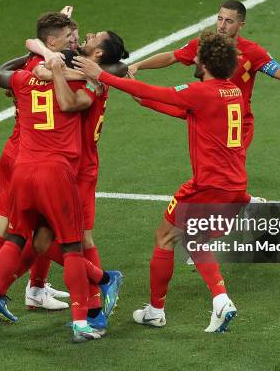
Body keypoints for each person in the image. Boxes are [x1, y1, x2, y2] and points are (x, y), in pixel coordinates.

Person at [74, 31, 250, 333]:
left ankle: (158, 310)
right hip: (235, 185)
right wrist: (142, 99)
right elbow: (183, 111)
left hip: (207, 185)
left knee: (165, 238)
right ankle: (220, 300)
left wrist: (101, 74)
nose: (192, 59)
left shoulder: (201, 92)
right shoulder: (232, 91)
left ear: (206, 62)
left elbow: (163, 94)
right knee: (195, 241)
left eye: (197, 56)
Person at [0, 34, 125, 343]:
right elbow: (72, 89)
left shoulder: (31, 80)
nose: (82, 36)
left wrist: (47, 57)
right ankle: (89, 306)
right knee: (69, 244)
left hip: (31, 168)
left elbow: (7, 73)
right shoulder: (85, 83)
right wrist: (55, 61)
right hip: (63, 171)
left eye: (90, 37)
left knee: (20, 237)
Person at [129, 0, 280, 150]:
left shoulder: (253, 52)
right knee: (212, 170)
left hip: (236, 124)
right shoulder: (205, 44)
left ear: (241, 24)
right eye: (219, 19)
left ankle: (243, 203)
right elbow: (173, 56)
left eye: (228, 21)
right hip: (205, 116)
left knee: (225, 173)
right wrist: (139, 65)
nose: (221, 25)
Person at [0, 11, 74, 321]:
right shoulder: (63, 72)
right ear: (52, 41)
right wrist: (45, 50)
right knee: (13, 228)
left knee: (38, 227)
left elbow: (0, 76)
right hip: (33, 158)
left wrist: (37, 50)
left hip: (19, 153)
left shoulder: (26, 69)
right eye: (68, 34)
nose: (74, 39)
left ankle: (36, 288)